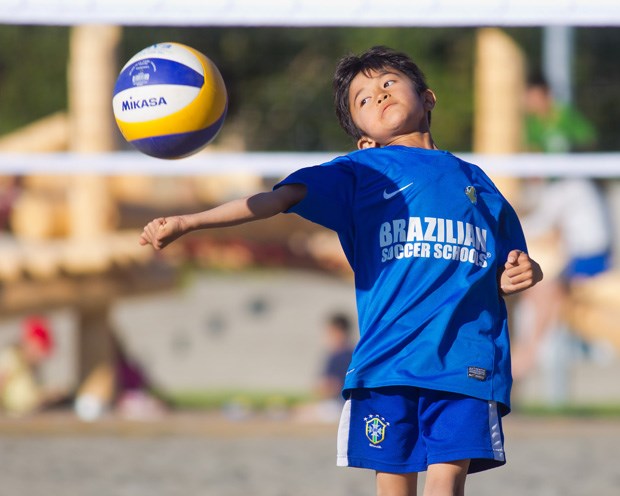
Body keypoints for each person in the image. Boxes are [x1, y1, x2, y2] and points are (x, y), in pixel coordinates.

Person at [140, 46, 543, 496]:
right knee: (394, 482)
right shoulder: (361, 172)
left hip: (463, 361)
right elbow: (275, 200)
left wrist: (524, 272)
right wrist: (188, 222)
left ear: (427, 97)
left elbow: (515, 265)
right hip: (387, 364)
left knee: (447, 480)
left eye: (389, 83)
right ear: (363, 140)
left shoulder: (477, 183)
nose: (380, 95)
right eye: (364, 99)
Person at [511, 77, 612, 384]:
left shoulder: (568, 183)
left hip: (591, 257)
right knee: (532, 286)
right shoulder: (564, 185)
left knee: (545, 289)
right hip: (583, 251)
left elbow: (540, 222)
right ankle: (527, 354)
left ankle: (528, 356)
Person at [0, 316, 54, 416]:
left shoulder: (29, 367)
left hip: (26, 418)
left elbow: (27, 397)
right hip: (11, 421)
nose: (39, 356)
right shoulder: (11, 358)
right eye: (38, 349)